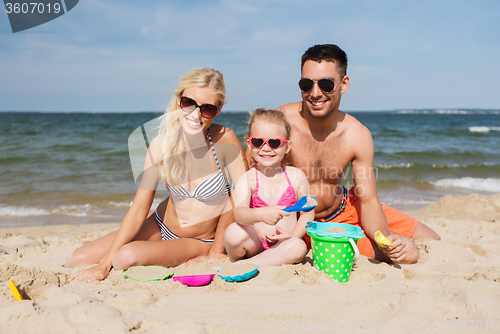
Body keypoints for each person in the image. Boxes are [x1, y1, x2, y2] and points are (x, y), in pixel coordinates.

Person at [68, 68, 248, 282]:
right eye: (188, 103)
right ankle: (121, 245)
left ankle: (145, 248)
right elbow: (139, 209)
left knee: (125, 257)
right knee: (77, 259)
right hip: (159, 223)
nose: (195, 114)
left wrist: (216, 251)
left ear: (218, 110)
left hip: (198, 240)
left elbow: (239, 197)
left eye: (207, 108)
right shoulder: (161, 145)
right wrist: (102, 264)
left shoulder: (224, 140)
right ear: (179, 99)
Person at [278, 44, 440, 264]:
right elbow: (251, 180)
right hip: (297, 223)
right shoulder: (280, 122)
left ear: (343, 84)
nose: (315, 94)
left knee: (432, 240)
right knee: (408, 255)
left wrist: (383, 238)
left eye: (326, 84)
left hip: (345, 209)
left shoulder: (357, 134)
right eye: (306, 84)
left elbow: (369, 199)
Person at [224, 108, 314, 266]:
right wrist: (261, 214)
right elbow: (239, 214)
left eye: (274, 143)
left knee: (298, 246)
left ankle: (241, 266)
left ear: (287, 147)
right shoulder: (248, 178)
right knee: (233, 232)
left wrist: (292, 236)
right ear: (250, 146)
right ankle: (246, 261)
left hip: (285, 243)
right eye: (258, 142)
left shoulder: (297, 176)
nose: (266, 148)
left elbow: (307, 214)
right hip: (256, 244)